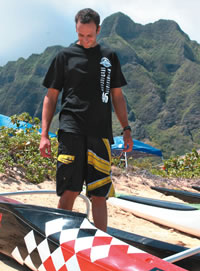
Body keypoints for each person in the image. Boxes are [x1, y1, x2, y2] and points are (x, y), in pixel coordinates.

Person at [39, 8, 133, 232]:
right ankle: (60, 240)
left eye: (89, 35)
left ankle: (102, 243)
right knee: (69, 189)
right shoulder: (64, 56)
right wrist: (44, 135)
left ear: (98, 30)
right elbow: (50, 97)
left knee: (99, 194)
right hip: (71, 130)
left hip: (100, 133)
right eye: (81, 35)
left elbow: (117, 97)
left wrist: (126, 129)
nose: (85, 40)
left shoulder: (109, 57)